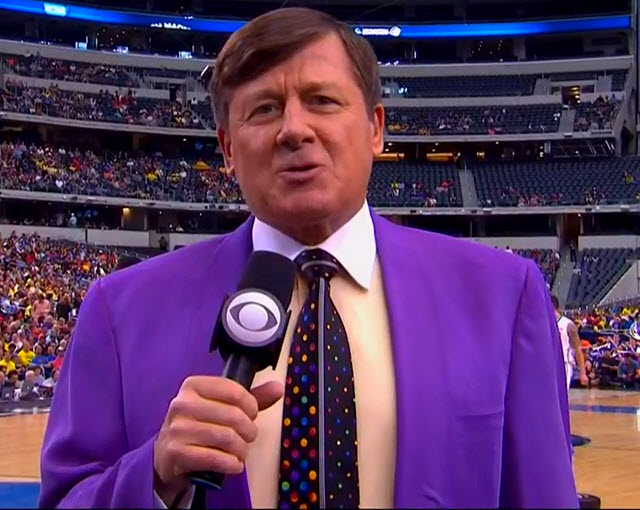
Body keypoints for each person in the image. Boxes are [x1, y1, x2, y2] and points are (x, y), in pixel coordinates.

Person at [39, 8, 577, 509]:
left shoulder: (502, 296)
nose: (294, 129)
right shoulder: (120, 310)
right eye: (265, 109)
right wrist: (154, 476)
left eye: (322, 100)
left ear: (375, 128)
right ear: (228, 148)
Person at [551, 296, 588, 389]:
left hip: (563, 364)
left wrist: (582, 372)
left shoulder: (568, 325)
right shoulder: (544, 324)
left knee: (560, 394)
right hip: (548, 364)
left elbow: (578, 349)